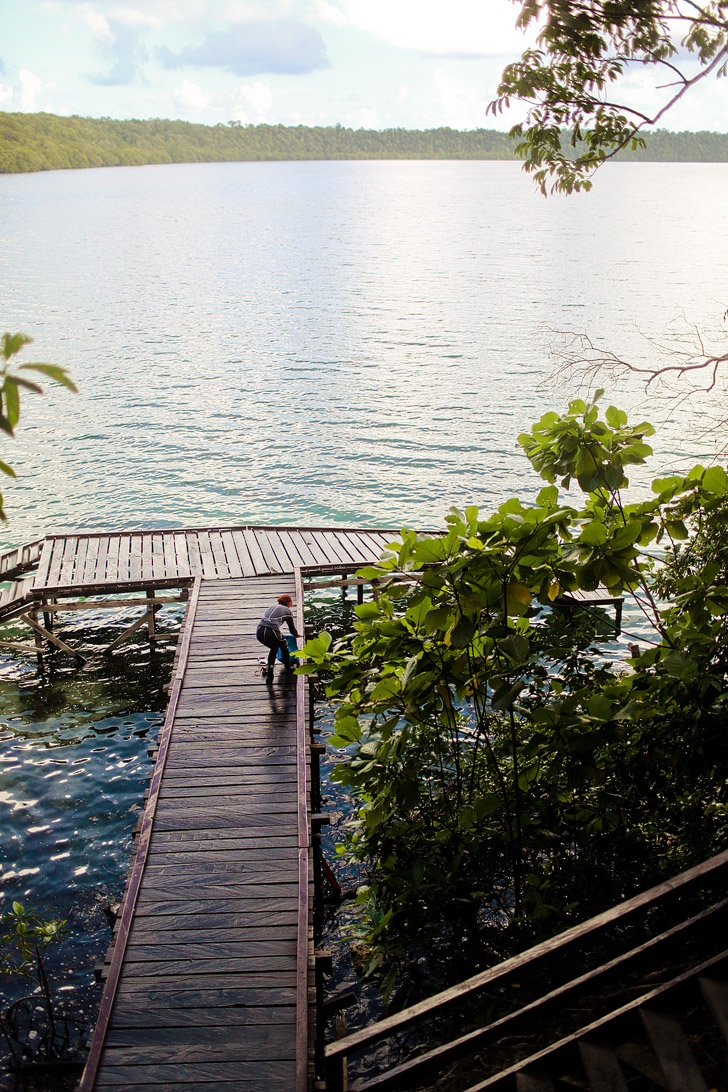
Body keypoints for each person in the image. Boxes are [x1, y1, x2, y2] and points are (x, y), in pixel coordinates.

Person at [256, 594, 300, 680]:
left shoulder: (272, 607)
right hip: (271, 631)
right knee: (284, 646)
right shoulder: (288, 611)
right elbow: (292, 630)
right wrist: (296, 634)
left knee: (274, 647)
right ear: (289, 603)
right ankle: (288, 669)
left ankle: (270, 671)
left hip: (259, 631)